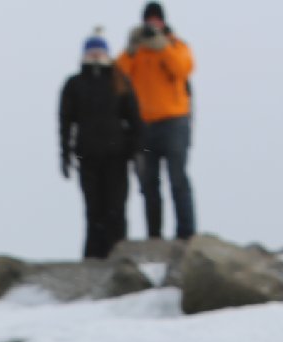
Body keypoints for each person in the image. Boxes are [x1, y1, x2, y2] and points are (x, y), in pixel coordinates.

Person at [60, 28, 143, 260]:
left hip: (117, 157)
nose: (96, 55)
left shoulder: (120, 81)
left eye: (99, 51)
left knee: (116, 209)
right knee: (93, 211)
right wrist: (65, 154)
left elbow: (135, 120)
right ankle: (93, 259)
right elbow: (65, 122)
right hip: (87, 157)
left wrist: (138, 152)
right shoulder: (74, 84)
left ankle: (118, 257)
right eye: (91, 51)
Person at [118, 2, 195, 240]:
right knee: (149, 185)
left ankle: (186, 235)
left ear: (163, 22)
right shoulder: (137, 52)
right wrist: (130, 49)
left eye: (156, 20)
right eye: (149, 20)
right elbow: (118, 78)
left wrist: (163, 47)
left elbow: (182, 69)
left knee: (177, 179)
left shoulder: (176, 45)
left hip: (174, 122)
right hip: (144, 126)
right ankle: (154, 238)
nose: (153, 24)